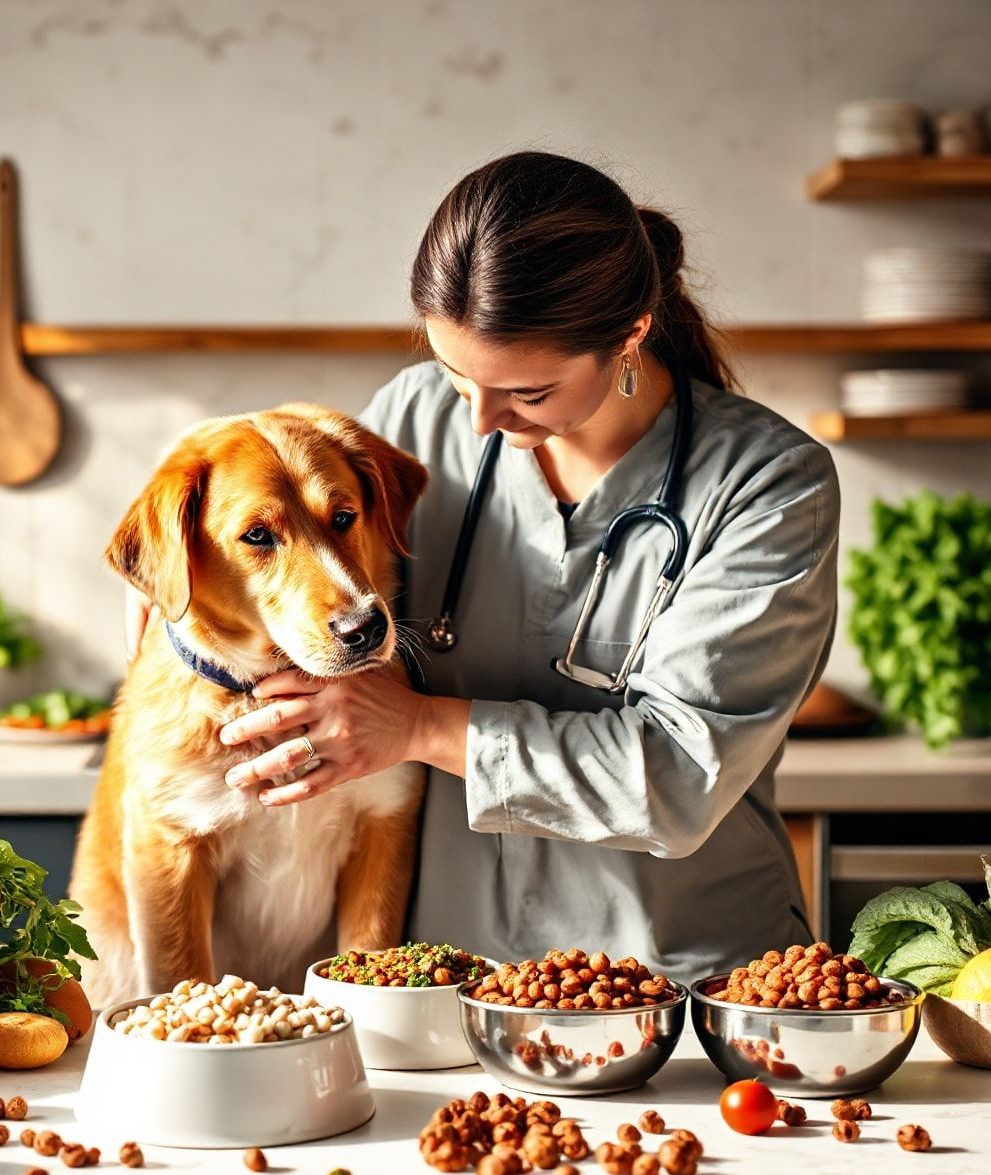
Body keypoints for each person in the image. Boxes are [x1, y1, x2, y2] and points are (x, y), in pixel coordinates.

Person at [128, 151, 840, 981]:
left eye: (528, 394)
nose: (477, 422)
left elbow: (678, 777)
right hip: (449, 984)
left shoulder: (769, 485)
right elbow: (291, 553)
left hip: (678, 986)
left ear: (631, 333)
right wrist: (186, 590)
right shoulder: (413, 415)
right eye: (456, 373)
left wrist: (421, 726)